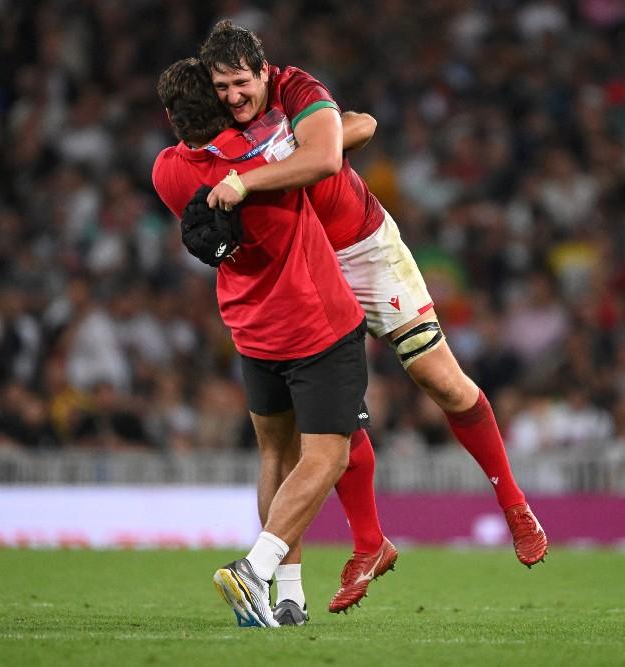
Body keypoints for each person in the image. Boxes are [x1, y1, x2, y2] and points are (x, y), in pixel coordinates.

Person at [199, 21, 549, 598]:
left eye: (241, 83)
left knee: (444, 384)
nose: (233, 97)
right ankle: (369, 542)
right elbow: (351, 131)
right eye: (221, 88)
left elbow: (333, 153)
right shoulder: (219, 126)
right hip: (305, 268)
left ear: (264, 72)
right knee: (329, 410)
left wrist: (259, 175)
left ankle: (514, 503)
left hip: (364, 250)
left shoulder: (295, 89)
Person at [152, 58, 372, 628]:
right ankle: (255, 570)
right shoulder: (265, 157)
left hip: (250, 329)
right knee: (329, 454)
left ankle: (289, 596)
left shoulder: (167, 171)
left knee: (277, 454)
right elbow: (347, 138)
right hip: (317, 322)